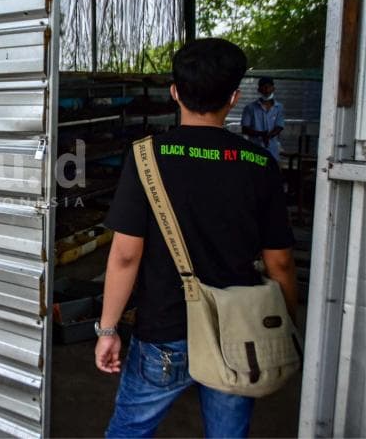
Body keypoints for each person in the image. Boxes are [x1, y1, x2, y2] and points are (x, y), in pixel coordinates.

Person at [94, 39, 298, 438]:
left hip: (164, 333)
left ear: (174, 93)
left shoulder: (146, 156)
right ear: (234, 97)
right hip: (238, 333)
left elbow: (125, 256)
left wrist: (107, 329)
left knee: (128, 432)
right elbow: (281, 262)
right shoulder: (260, 164)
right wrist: (285, 325)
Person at [241, 76, 285, 160]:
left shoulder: (279, 107)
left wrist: (268, 136)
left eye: (269, 86)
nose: (267, 89)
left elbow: (279, 126)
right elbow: (245, 129)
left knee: (272, 167)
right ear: (259, 90)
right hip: (254, 150)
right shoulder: (250, 108)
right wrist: (261, 134)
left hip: (272, 150)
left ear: (273, 89)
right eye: (264, 87)